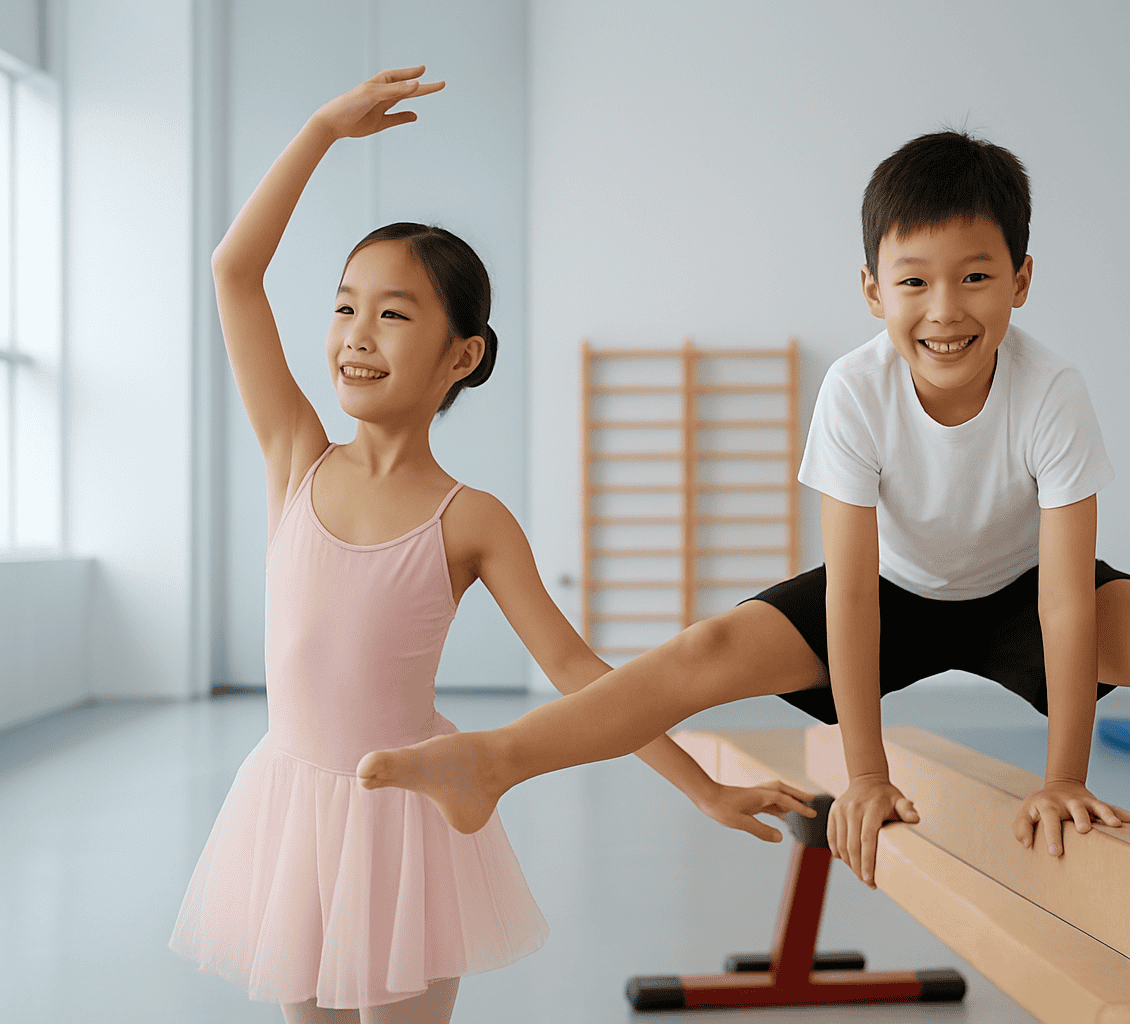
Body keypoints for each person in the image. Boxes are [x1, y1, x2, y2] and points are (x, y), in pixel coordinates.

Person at [356, 130, 1130, 895]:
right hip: (892, 593)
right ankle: (497, 761)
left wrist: (1062, 769)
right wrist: (860, 771)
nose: (945, 309)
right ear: (873, 291)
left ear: (1022, 276)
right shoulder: (856, 389)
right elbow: (853, 595)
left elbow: (1069, 600)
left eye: (975, 277)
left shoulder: (1051, 390)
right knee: (709, 650)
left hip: (1023, 591)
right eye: (913, 281)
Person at [169, 67, 813, 1024]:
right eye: (346, 306)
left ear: (461, 355)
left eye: (394, 314)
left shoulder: (470, 519)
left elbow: (577, 669)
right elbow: (234, 271)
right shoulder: (295, 456)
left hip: (413, 824)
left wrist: (702, 786)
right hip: (294, 814)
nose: (357, 334)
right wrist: (320, 131)